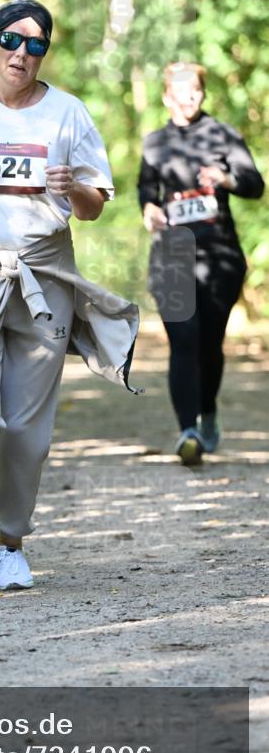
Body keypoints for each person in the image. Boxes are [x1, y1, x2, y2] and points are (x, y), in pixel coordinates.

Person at [0, 0, 141, 592]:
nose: (22, 53)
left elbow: (94, 204)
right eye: (12, 40)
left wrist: (75, 189)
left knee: (28, 431)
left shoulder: (68, 113)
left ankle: (11, 543)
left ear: (45, 54)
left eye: (36, 45)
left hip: (43, 282)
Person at [137, 61, 265, 464]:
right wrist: (149, 211)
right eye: (179, 90)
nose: (187, 97)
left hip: (221, 254)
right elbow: (146, 191)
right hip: (172, 254)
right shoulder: (155, 142)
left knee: (210, 345)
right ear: (165, 96)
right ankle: (188, 431)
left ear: (202, 93)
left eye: (194, 90)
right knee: (184, 341)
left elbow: (255, 185)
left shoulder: (223, 135)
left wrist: (225, 179)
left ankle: (207, 411)